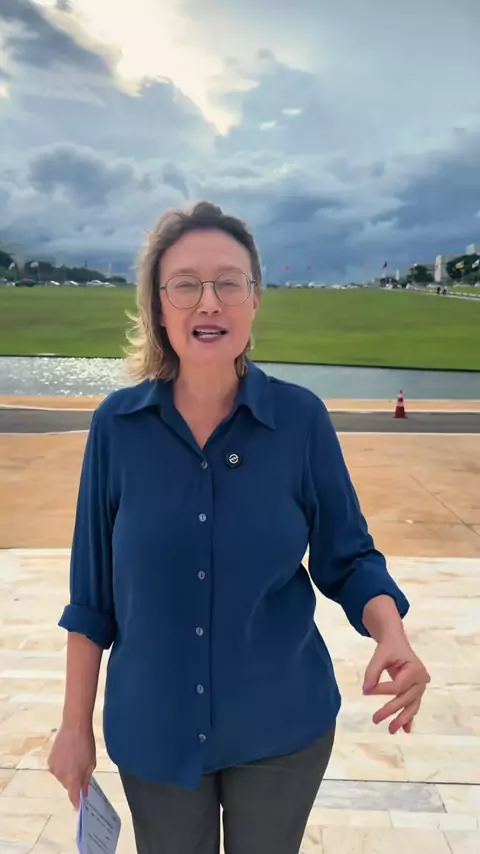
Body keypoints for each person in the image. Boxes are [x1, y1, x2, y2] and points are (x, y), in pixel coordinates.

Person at [48, 201, 430, 854]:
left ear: (254, 300)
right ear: (158, 305)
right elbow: (92, 599)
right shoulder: (116, 427)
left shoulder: (301, 421)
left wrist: (391, 631)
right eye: (185, 285)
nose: (209, 302)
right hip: (154, 731)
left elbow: (348, 558)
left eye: (228, 282)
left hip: (281, 727)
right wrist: (73, 727)